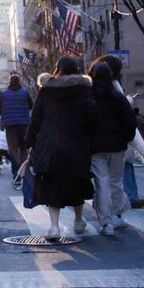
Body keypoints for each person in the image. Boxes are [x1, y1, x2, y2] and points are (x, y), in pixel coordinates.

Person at [25, 56, 97, 239]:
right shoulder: (83, 89)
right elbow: (91, 116)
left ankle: (54, 227)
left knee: (52, 185)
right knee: (77, 182)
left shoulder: (46, 90)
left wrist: (30, 142)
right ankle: (79, 221)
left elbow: (36, 118)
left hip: (50, 144)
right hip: (76, 143)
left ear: (58, 69)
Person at [88, 61, 136, 236]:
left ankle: (105, 222)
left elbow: (85, 122)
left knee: (102, 183)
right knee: (116, 181)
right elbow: (129, 121)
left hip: (96, 148)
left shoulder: (89, 97)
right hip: (117, 146)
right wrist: (127, 138)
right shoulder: (118, 97)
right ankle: (117, 216)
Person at [0, 73, 33, 171]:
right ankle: (24, 169)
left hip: (10, 125)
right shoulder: (25, 92)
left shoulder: (4, 93)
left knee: (13, 149)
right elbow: (31, 106)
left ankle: (17, 171)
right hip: (23, 124)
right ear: (19, 81)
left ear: (9, 82)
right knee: (23, 148)